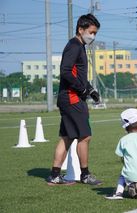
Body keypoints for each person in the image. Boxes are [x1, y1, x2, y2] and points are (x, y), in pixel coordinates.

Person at [47, 14, 101, 185]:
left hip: (70, 97)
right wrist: (82, 88)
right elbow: (66, 71)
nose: (93, 36)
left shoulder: (79, 46)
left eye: (95, 33)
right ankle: (85, 174)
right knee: (84, 136)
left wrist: (90, 89)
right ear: (81, 29)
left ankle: (55, 174)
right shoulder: (74, 46)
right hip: (72, 98)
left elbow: (78, 74)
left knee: (67, 137)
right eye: (91, 32)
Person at [105, 108, 137, 200]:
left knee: (124, 172)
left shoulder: (123, 140)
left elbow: (121, 158)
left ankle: (118, 193)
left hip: (130, 183)